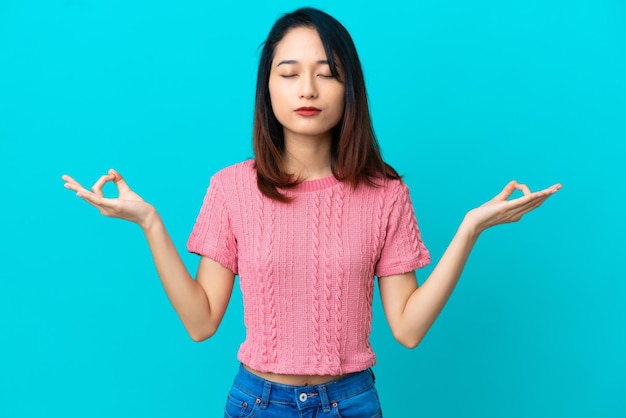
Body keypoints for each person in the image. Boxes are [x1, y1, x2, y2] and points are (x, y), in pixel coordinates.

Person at [62, 7, 560, 418]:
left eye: (327, 74)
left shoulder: (385, 193)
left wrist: (470, 229)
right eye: (290, 73)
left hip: (352, 402)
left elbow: (407, 329)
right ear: (268, 89)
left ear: (350, 90)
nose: (308, 90)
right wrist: (150, 223)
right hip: (258, 403)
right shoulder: (231, 188)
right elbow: (201, 321)